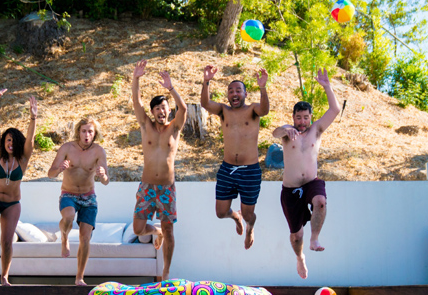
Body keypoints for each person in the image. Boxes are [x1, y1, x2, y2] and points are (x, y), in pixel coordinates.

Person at [272, 69, 340, 279]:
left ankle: (315, 238)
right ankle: (300, 257)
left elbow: (335, 110)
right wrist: (285, 128)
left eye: (305, 118)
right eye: (298, 118)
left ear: (311, 118)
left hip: (311, 182)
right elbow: (274, 133)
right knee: (295, 235)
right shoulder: (286, 134)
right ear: (293, 117)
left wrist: (327, 86)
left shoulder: (316, 131)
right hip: (291, 190)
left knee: (320, 201)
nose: (302, 121)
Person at [200, 66, 269, 249]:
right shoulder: (224, 111)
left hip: (250, 170)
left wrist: (263, 87)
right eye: (231, 91)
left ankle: (250, 226)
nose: (234, 93)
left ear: (245, 94)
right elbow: (205, 104)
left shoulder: (253, 110)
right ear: (228, 96)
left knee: (249, 215)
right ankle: (235, 216)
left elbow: (265, 109)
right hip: (227, 168)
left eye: (238, 90)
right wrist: (206, 81)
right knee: (221, 212)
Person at [130, 59, 186, 281]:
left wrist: (170, 87)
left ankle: (165, 272)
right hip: (147, 187)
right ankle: (156, 232)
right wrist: (136, 78)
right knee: (137, 229)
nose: (161, 111)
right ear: (152, 112)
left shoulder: (175, 128)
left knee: (170, 230)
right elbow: (136, 101)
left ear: (168, 110)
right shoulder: (146, 127)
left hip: (167, 187)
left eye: (164, 108)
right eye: (157, 108)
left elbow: (183, 108)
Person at [0, 89, 39, 286]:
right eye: (8, 140)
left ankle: (4, 277)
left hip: (12, 203)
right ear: (3, 142)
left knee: (7, 241)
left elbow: (31, 139)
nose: (10, 143)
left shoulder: (23, 160)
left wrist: (33, 117)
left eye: (13, 140)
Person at [47, 116, 110, 286]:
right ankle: (64, 238)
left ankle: (79, 277)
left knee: (85, 237)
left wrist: (103, 175)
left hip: (89, 197)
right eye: (84, 131)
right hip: (69, 194)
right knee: (68, 216)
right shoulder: (67, 148)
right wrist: (60, 169)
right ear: (78, 132)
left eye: (90, 131)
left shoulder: (98, 151)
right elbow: (50, 173)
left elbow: (106, 180)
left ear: (95, 133)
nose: (87, 135)